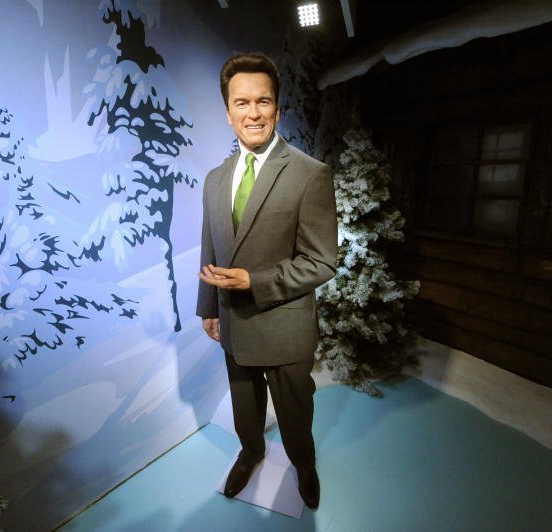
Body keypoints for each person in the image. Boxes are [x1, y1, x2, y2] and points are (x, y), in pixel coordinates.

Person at [196, 52, 337, 509]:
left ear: (277, 107)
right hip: (233, 321)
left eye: (263, 101)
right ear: (228, 111)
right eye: (242, 103)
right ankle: (251, 452)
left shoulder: (310, 174)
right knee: (245, 405)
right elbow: (210, 249)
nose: (253, 113)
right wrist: (207, 307)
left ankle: (304, 465)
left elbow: (321, 262)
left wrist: (253, 282)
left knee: (295, 413)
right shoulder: (215, 179)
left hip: (285, 324)